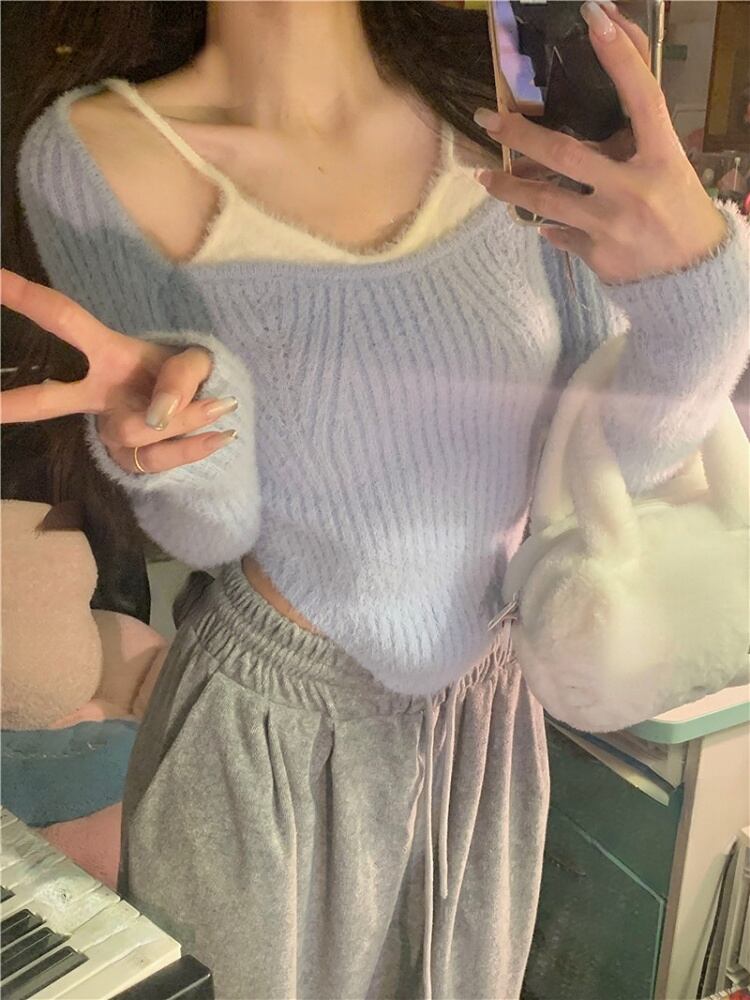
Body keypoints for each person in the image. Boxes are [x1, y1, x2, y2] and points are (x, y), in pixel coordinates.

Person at [2, 2, 748, 997]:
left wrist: (698, 300)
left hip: (484, 730)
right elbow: (209, 530)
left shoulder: (499, 109)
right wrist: (176, 442)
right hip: (266, 746)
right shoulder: (94, 151)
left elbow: (597, 472)